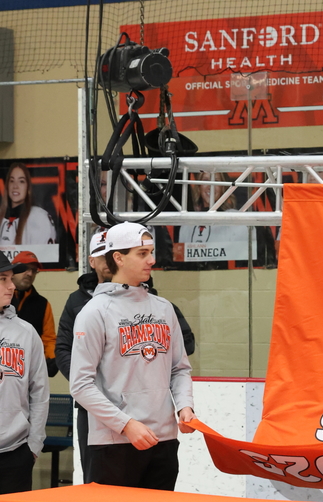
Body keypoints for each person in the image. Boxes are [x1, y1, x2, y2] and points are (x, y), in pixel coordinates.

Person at [57, 229, 196, 477]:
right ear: (119, 258)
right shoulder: (94, 312)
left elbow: (180, 368)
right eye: (142, 253)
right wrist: (126, 425)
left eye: (151, 252)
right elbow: (80, 385)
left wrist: (185, 405)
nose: (152, 260)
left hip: (163, 439)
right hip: (113, 442)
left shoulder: (164, 308)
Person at [0, 250, 49, 502]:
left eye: (9, 279)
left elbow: (39, 392)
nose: (9, 286)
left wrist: (32, 445)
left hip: (13, 452)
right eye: (1, 280)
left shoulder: (25, 333)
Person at [11, 250, 58, 378]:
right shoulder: (3, 298)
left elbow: (49, 338)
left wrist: (52, 358)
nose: (30, 273)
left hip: (30, 371)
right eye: (25, 268)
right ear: (13, 269)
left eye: (34, 270)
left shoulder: (42, 304)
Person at [0, 162, 57, 248]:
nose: (15, 186)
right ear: (7, 186)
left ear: (28, 187)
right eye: (12, 181)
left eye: (21, 181)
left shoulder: (39, 217)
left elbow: (43, 257)